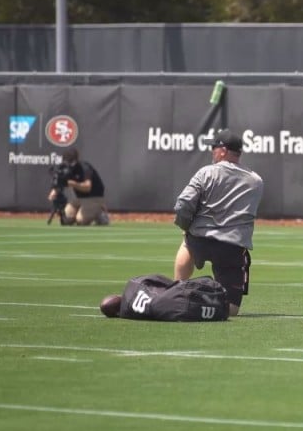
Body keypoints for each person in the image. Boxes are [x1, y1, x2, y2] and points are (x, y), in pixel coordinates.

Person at [173, 129, 263, 317]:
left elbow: (183, 204)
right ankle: (206, 302)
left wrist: (185, 226)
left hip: (200, 239)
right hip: (232, 247)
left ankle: (178, 290)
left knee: (187, 242)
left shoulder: (206, 173)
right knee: (230, 310)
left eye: (213, 147)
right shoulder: (256, 181)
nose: (211, 151)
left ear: (222, 151)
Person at [100, 274, 229, 321]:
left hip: (177, 309)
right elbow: (161, 280)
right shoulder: (132, 285)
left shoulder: (128, 313)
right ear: (118, 296)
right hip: (177, 299)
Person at [47, 147, 109, 225]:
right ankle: (86, 211)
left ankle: (100, 213)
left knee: (81, 220)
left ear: (76, 160)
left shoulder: (84, 167)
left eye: (71, 162)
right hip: (79, 198)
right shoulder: (65, 169)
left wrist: (73, 183)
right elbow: (60, 180)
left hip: (94, 198)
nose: (69, 165)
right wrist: (54, 191)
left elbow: (87, 187)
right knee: (65, 220)